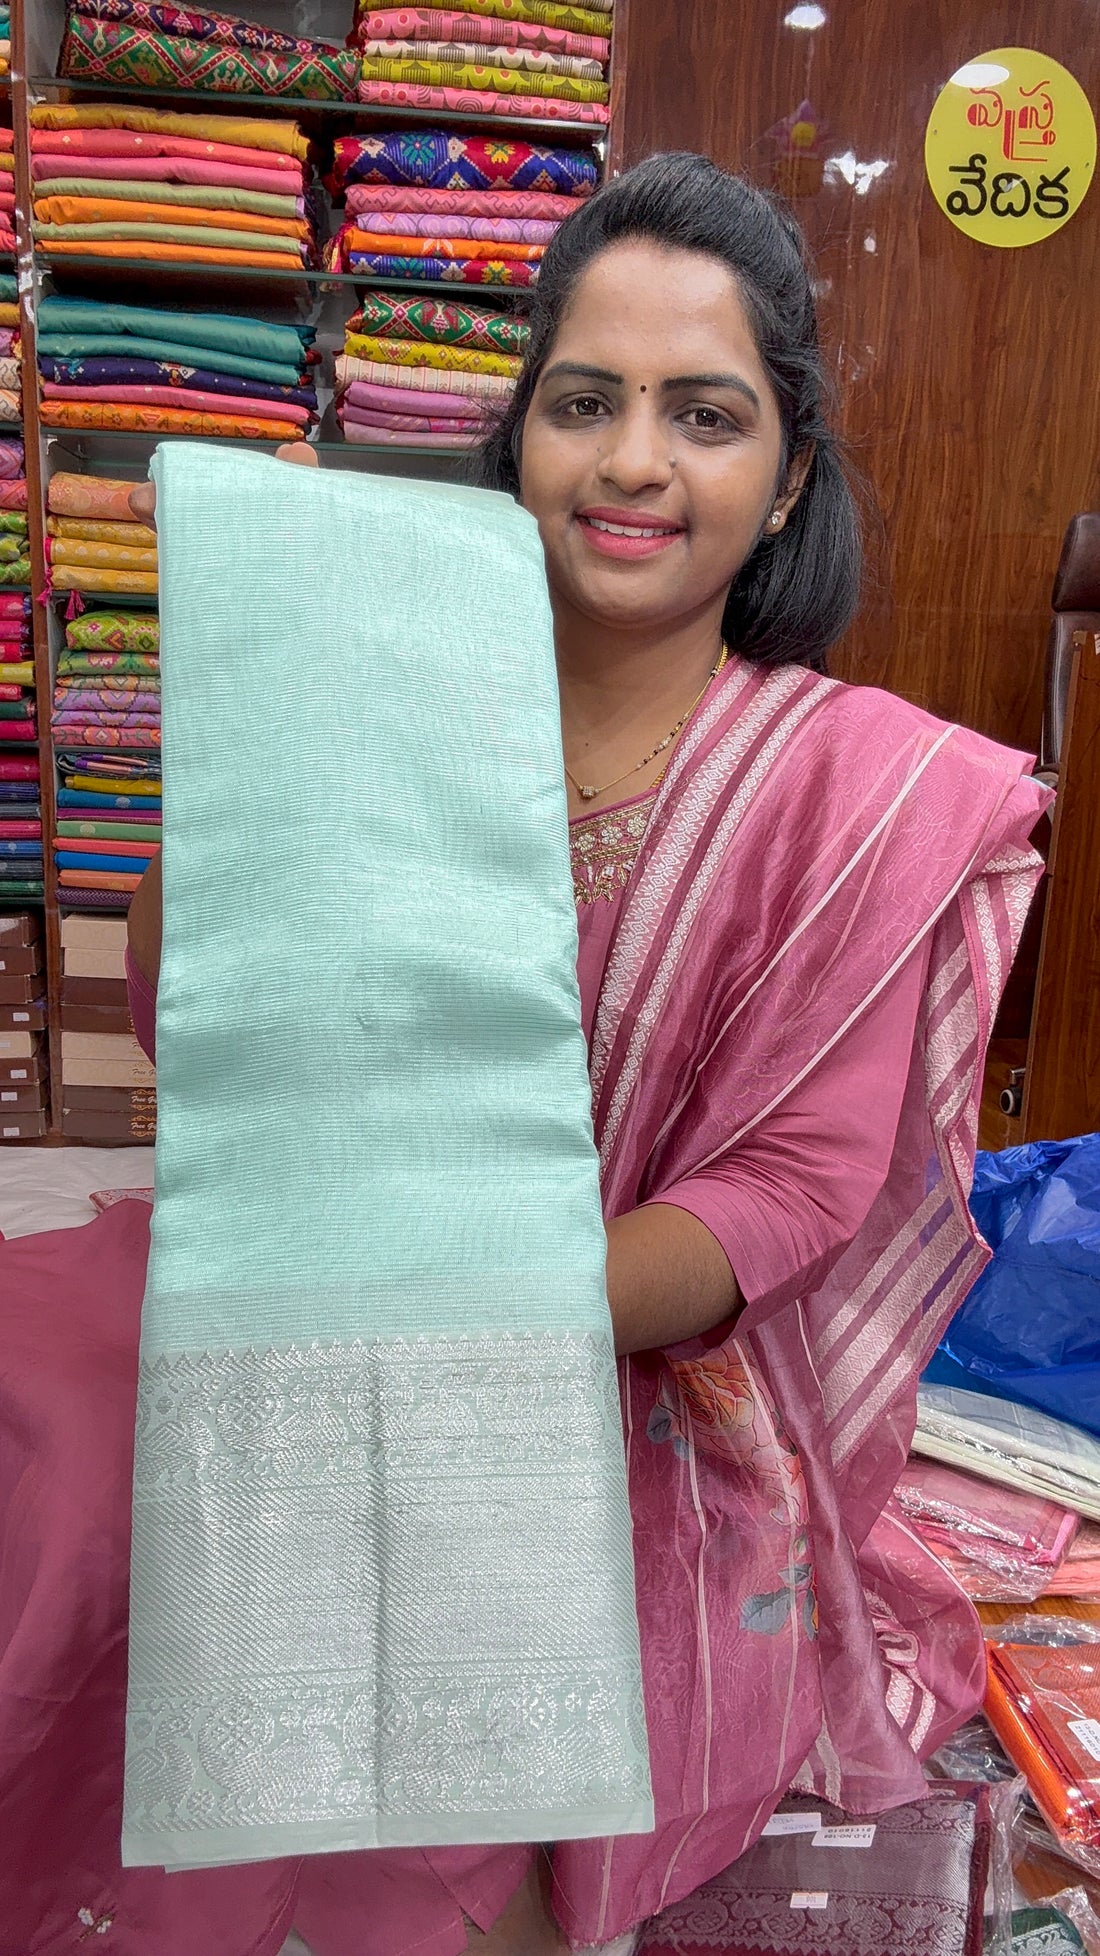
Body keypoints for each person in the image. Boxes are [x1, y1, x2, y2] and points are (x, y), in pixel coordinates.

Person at [0, 153, 1048, 1956]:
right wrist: (258, 737)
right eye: (584, 403)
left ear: (788, 476)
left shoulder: (849, 789)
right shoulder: (394, 697)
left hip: (616, 1377)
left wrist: (450, 1338)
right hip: (318, 1284)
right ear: (521, 441)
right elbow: (200, 1031)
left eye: (704, 414)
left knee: (449, 1670)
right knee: (69, 1441)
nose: (635, 461)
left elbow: (794, 1193)